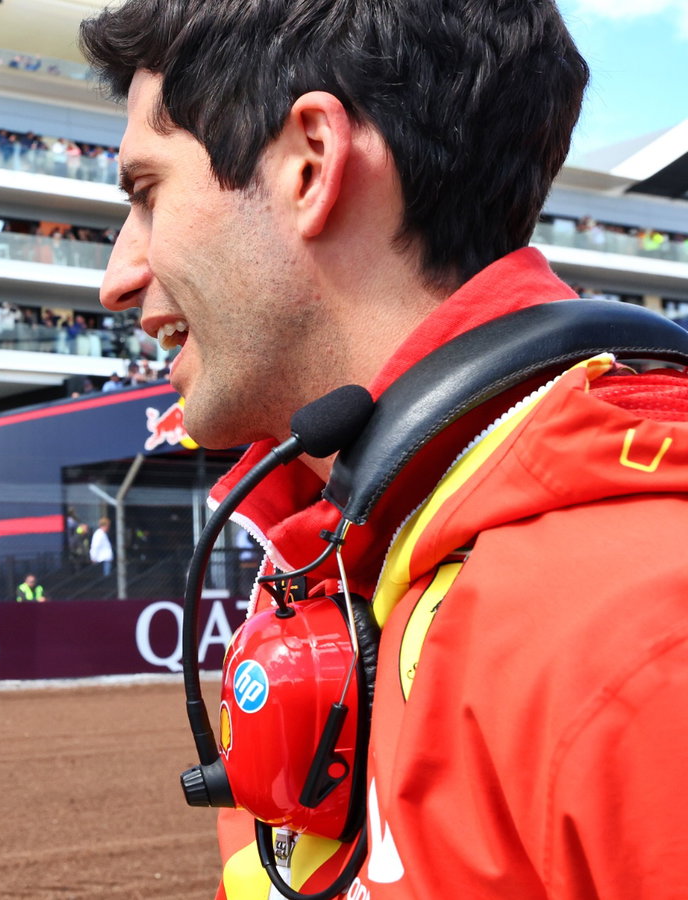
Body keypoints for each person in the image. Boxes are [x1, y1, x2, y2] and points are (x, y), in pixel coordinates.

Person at [82, 1, 687, 897]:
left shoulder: (638, 633)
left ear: (310, 165)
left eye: (146, 193)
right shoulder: (337, 571)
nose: (116, 279)